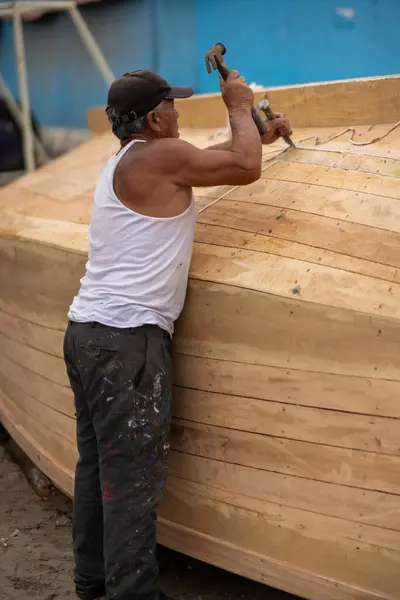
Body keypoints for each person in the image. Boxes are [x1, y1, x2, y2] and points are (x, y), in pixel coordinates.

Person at [63, 69, 292, 600]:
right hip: (127, 344)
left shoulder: (128, 159)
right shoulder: (159, 156)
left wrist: (255, 133)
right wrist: (238, 105)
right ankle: (133, 594)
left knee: (99, 465)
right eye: (174, 105)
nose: (180, 112)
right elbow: (241, 169)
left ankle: (92, 582)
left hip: (88, 334)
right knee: (133, 480)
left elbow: (213, 159)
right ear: (154, 118)